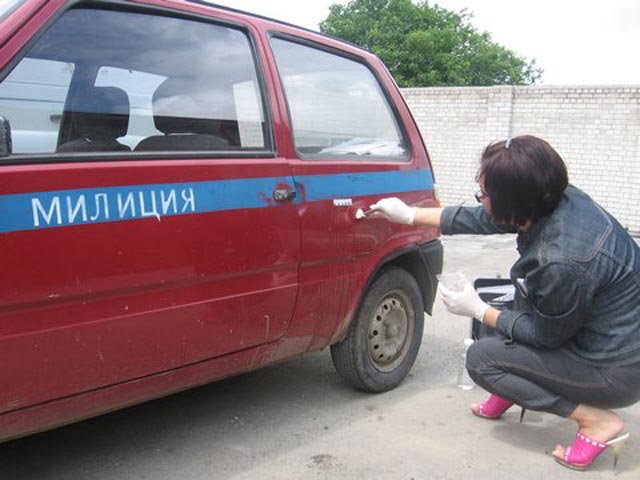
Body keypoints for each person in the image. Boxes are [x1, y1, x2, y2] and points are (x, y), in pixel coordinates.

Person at [368, 135, 640, 471]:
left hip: (614, 369)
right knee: (508, 305)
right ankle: (516, 386)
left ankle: (595, 420)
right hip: (603, 334)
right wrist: (410, 215)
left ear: (513, 202)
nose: (481, 200)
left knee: (482, 360)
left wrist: (479, 310)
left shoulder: (562, 260)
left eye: (484, 194)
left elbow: (545, 336)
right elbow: (489, 217)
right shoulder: (555, 198)